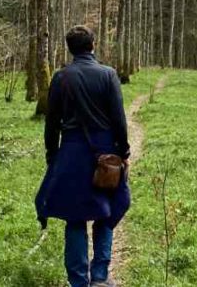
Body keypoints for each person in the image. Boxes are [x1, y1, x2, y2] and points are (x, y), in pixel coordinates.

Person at [35, 26, 130, 287]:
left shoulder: (61, 77)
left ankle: (78, 282)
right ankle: (100, 276)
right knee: (105, 214)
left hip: (71, 154)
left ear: (70, 49)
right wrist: (123, 152)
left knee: (75, 218)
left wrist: (53, 156)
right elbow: (119, 119)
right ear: (92, 45)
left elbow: (52, 123)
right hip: (106, 156)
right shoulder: (108, 74)